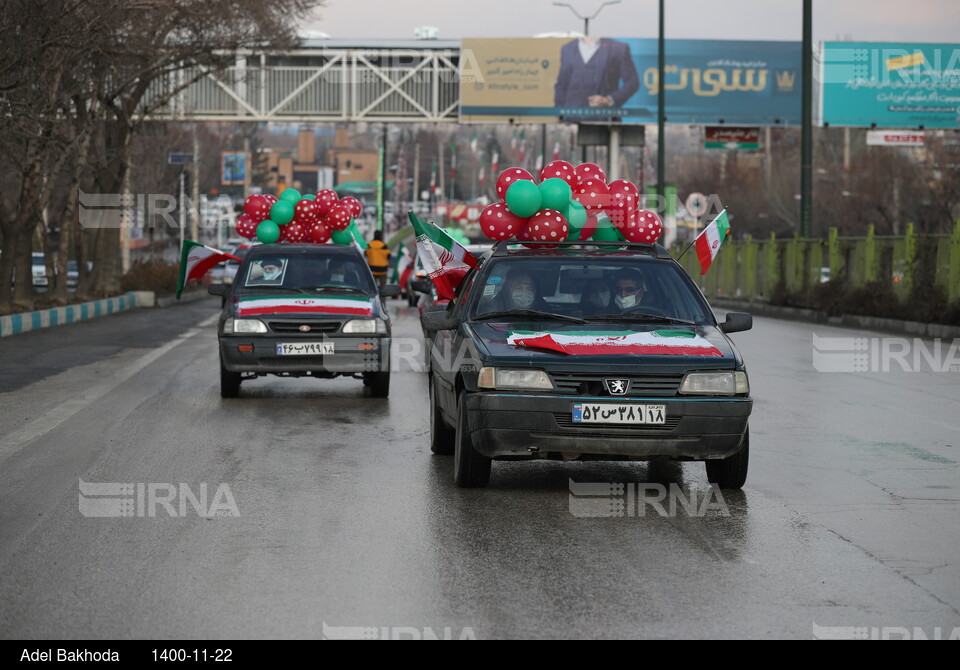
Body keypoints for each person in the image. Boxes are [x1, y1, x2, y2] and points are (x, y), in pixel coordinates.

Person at [554, 37, 640, 115]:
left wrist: (609, 100)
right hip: (571, 118)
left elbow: (632, 82)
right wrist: (560, 113)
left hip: (603, 119)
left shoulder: (618, 48)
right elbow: (561, 85)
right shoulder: (567, 48)